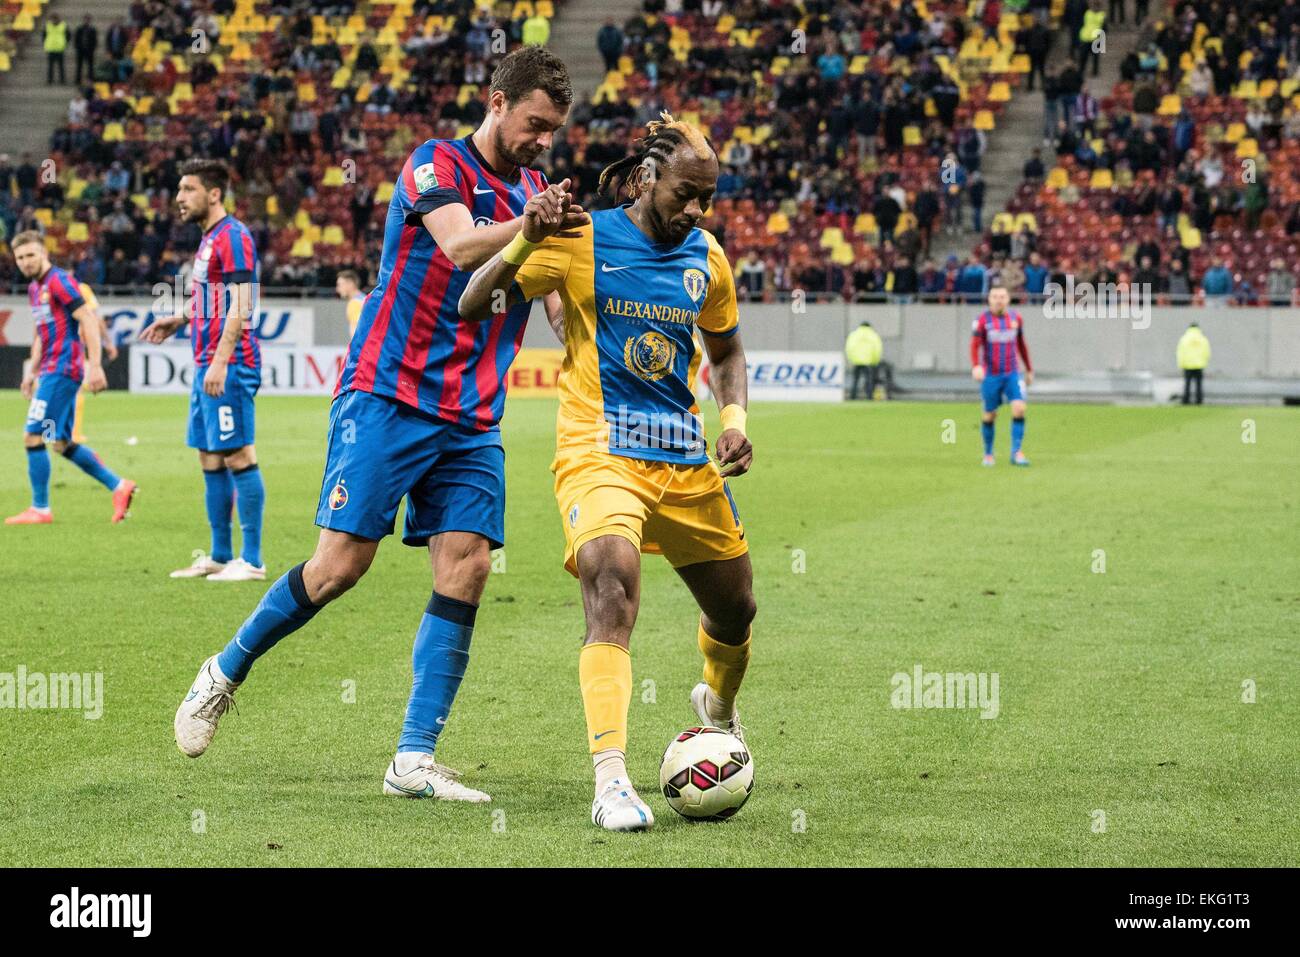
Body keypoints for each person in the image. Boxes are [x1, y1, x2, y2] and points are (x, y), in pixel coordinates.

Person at [169, 47, 583, 806]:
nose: (543, 144)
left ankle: (413, 757)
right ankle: (225, 669)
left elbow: (555, 301)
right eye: (534, 125)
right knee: (338, 569)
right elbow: (459, 245)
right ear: (496, 102)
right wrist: (531, 221)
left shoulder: (536, 195)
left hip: (472, 415)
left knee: (468, 566)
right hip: (388, 394)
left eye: (553, 132)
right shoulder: (436, 165)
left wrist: (588, 329)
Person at [459, 112, 758, 833]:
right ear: (648, 177)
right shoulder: (580, 238)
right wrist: (528, 234)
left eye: (707, 199)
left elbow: (726, 354)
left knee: (735, 611)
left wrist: (735, 422)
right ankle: (612, 778)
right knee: (611, 582)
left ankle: (714, 711)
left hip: (685, 460)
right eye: (686, 193)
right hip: (599, 450)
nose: (695, 210)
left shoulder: (707, 258)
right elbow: (475, 302)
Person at [139, 159, 266, 582]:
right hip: (205, 362)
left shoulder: (233, 237)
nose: (179, 198)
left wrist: (221, 360)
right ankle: (219, 553)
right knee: (209, 455)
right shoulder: (210, 239)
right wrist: (179, 317)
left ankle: (251, 560)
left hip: (228, 365)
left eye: (188, 189)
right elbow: (212, 300)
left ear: (214, 194)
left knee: (237, 453)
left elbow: (242, 302)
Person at [5, 232, 136, 525]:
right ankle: (119, 486)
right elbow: (42, 332)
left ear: (44, 254)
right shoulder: (35, 289)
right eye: (21, 257)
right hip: (51, 370)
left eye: (31, 255)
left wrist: (96, 365)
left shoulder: (59, 282)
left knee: (32, 435)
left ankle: (40, 508)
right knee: (59, 441)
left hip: (64, 369)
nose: (26, 262)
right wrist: (31, 372)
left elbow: (88, 318)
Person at [971, 285, 1033, 466]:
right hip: (991, 375)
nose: (998, 300)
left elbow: (1022, 344)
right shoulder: (982, 320)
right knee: (990, 415)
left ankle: (1016, 452)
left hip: (1012, 373)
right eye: (995, 296)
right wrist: (976, 366)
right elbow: (974, 345)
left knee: (1019, 408)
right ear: (989, 299)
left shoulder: (1016, 318)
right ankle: (988, 453)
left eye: (1002, 296)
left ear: (1008, 299)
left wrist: (1029, 369)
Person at [71, 279, 119, 444]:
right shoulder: (82, 288)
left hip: (56, 345)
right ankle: (73, 434)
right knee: (74, 389)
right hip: (73, 345)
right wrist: (108, 342)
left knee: (58, 390)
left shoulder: (44, 288)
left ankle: (52, 432)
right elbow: (93, 318)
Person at [845, 320, 883, 399]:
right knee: (869, 380)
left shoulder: (854, 334)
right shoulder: (873, 335)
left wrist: (851, 359)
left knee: (855, 380)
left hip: (856, 361)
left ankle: (853, 396)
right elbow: (877, 349)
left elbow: (849, 348)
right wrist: (875, 361)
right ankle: (869, 396)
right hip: (868, 361)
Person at [1176, 321, 1210, 405]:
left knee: (1187, 384)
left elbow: (1180, 352)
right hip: (1199, 365)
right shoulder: (1203, 339)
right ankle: (1199, 400)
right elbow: (1207, 352)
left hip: (1188, 365)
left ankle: (1186, 400)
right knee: (1199, 385)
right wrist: (1205, 362)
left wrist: (1181, 364)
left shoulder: (1184, 338)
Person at [335, 268, 366, 338]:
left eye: (340, 285)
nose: (337, 289)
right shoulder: (364, 299)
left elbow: (356, 332)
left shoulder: (355, 304)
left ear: (350, 284)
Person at [44, 13, 68, 85]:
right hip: (51, 48)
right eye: (53, 19)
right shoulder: (48, 26)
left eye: (55, 19)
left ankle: (62, 80)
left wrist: (64, 43)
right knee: (50, 66)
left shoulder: (63, 26)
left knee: (61, 66)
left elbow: (68, 35)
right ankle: (50, 80)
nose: (54, 21)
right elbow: (44, 35)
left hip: (60, 48)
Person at [73, 14, 96, 85]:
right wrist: (77, 47)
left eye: (88, 19)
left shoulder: (92, 30)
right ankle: (78, 80)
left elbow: (94, 40)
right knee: (79, 66)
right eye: (85, 19)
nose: (86, 21)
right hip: (81, 50)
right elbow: (76, 39)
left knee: (90, 66)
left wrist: (92, 48)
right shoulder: (79, 29)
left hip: (89, 50)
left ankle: (90, 79)